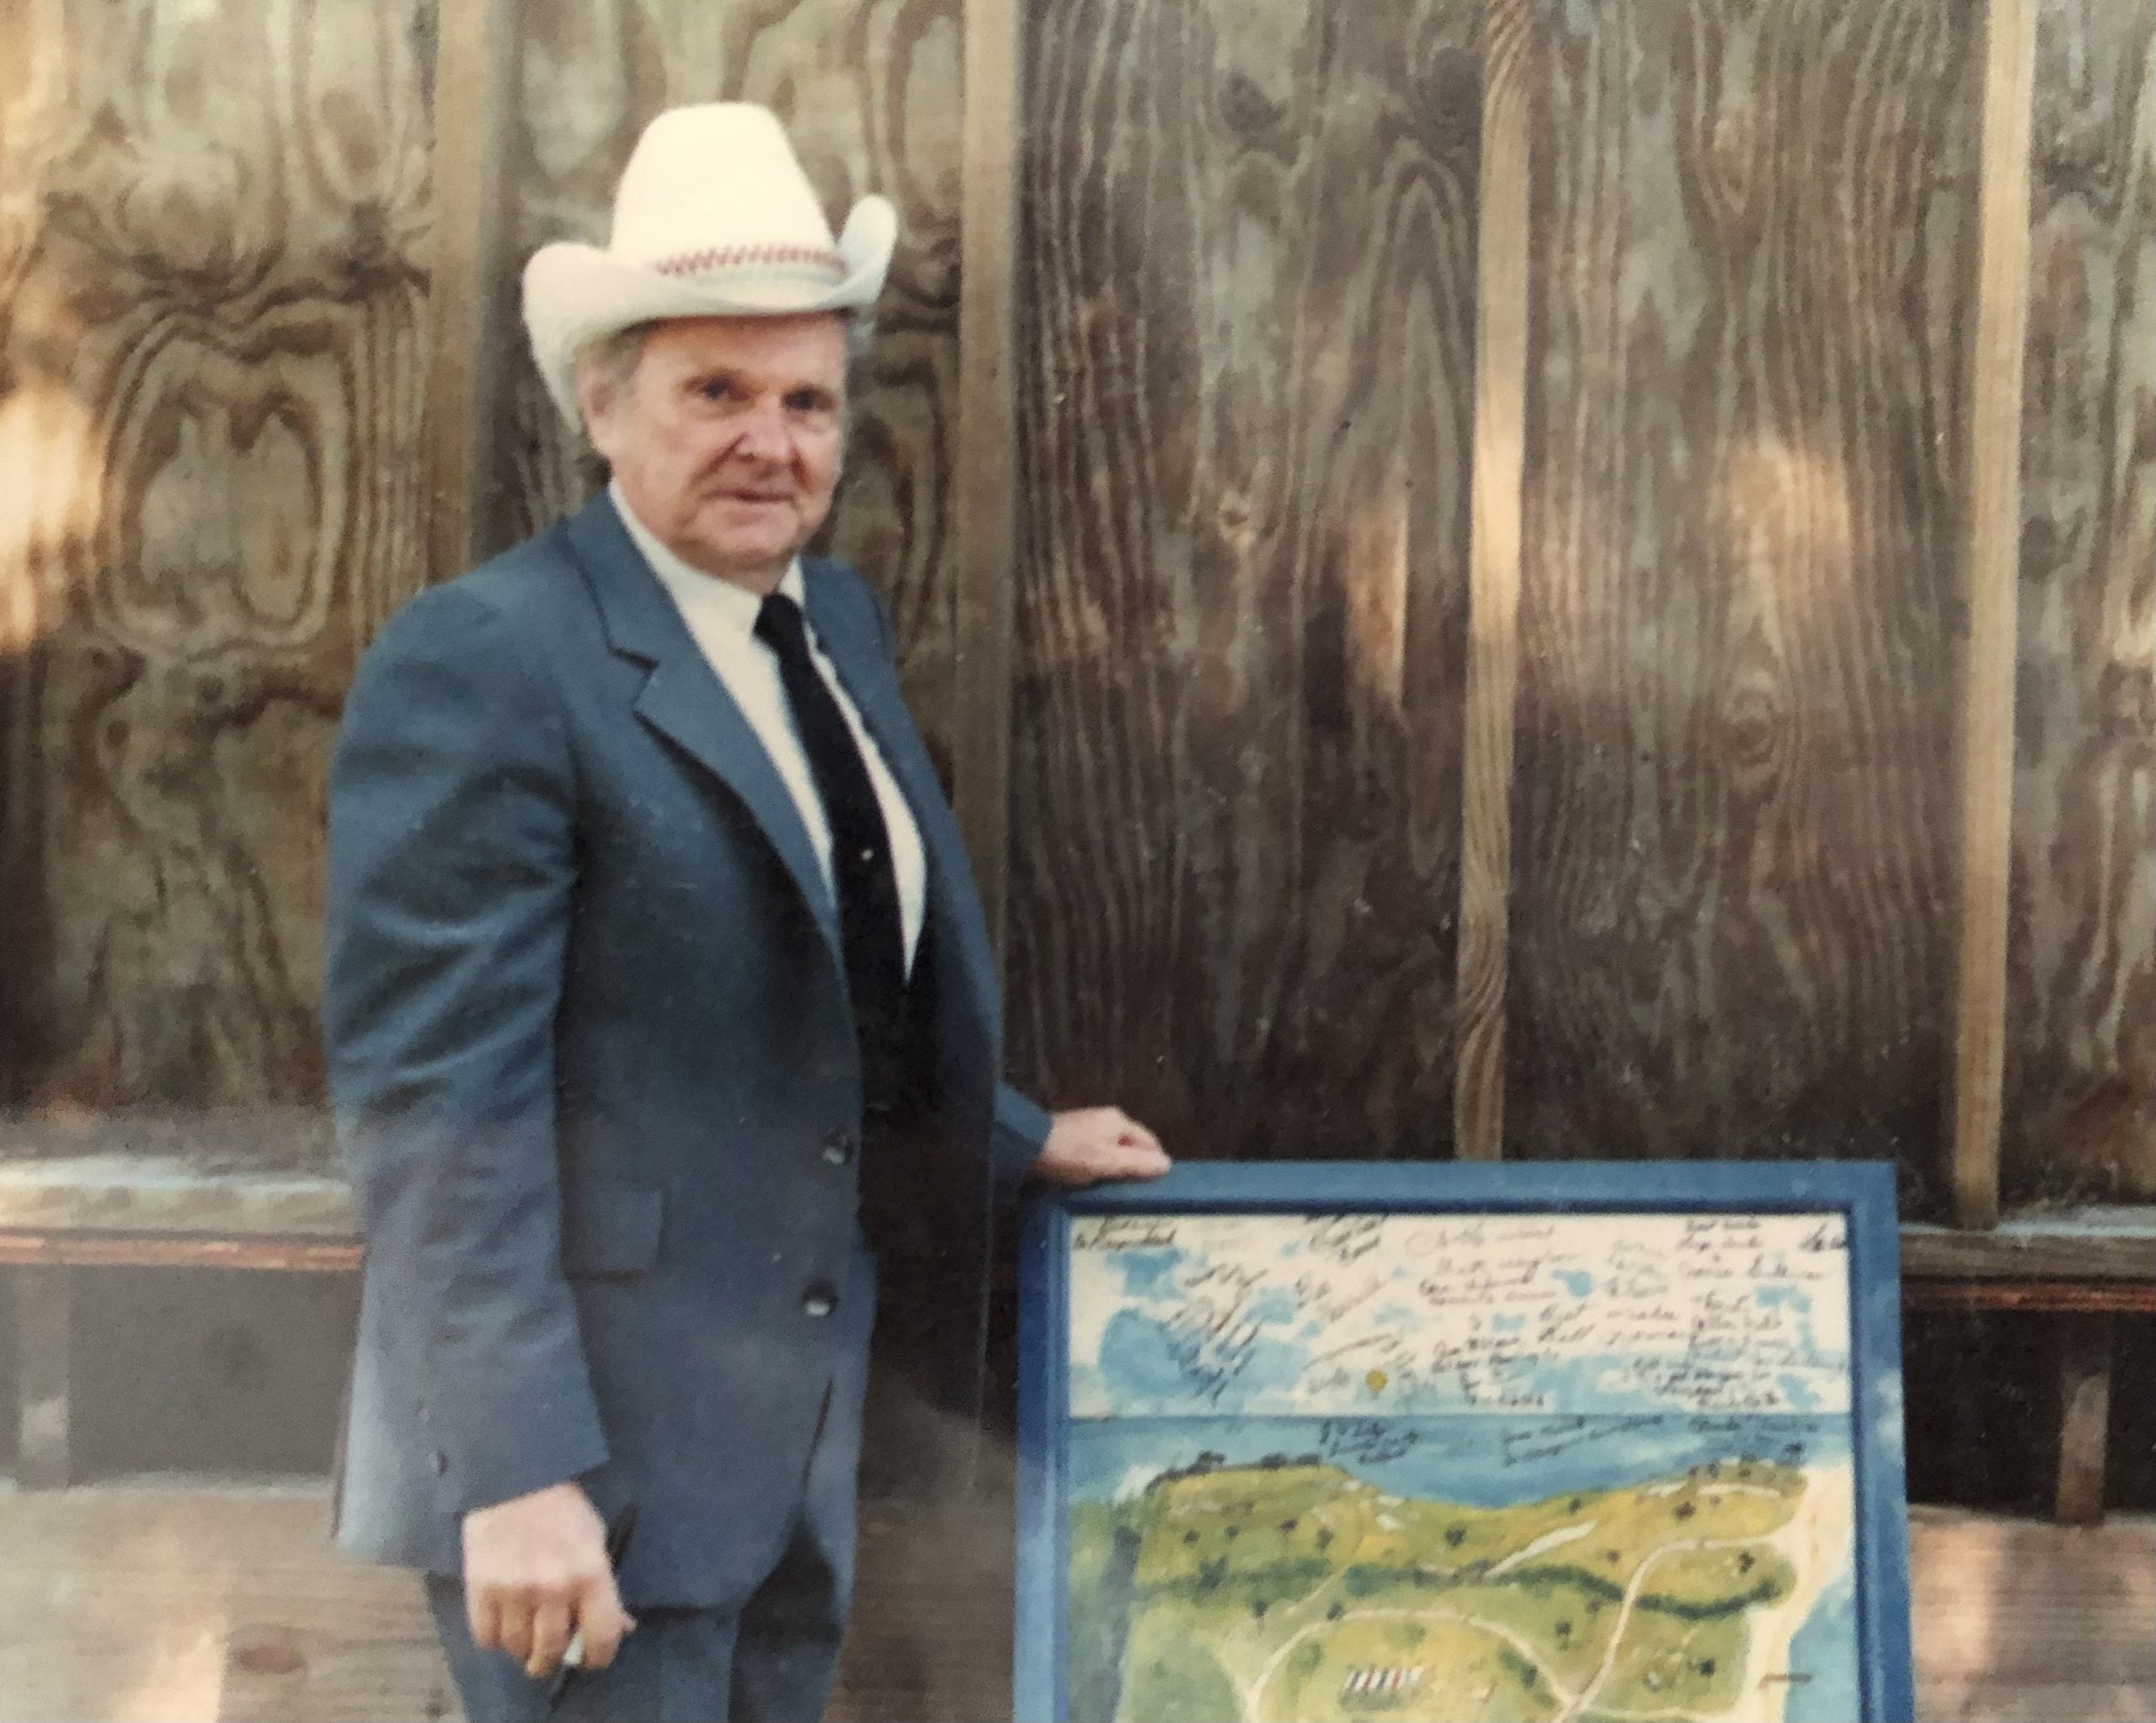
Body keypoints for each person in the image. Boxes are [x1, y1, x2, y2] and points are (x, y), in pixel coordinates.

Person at [322, 103, 1169, 1723]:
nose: (770, 444)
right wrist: (516, 1474)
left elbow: (816, 973)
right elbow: (437, 1111)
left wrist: (1002, 1130)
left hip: (790, 1447)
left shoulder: (825, 620)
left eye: (806, 401)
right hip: (591, 1483)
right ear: (605, 405)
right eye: (715, 391)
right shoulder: (490, 658)